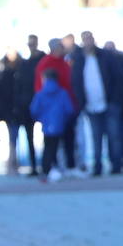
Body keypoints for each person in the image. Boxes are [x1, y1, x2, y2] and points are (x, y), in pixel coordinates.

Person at [72, 31, 123, 176]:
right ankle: (97, 167)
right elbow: (76, 83)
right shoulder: (78, 59)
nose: (88, 42)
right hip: (91, 106)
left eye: (89, 38)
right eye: (85, 39)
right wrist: (81, 103)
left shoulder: (106, 56)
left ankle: (116, 165)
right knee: (96, 137)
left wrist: (115, 100)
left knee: (114, 135)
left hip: (109, 103)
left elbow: (118, 78)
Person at [35, 39, 80, 174]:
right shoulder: (45, 64)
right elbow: (40, 90)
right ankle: (51, 168)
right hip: (53, 111)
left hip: (65, 109)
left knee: (69, 139)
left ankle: (70, 166)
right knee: (51, 142)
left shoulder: (64, 63)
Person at [30, 69, 75, 183]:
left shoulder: (40, 94)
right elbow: (69, 109)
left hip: (46, 125)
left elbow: (34, 110)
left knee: (47, 147)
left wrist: (41, 119)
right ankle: (58, 168)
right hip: (60, 124)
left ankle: (47, 170)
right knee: (59, 146)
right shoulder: (63, 93)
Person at [0, 48, 25, 174]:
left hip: (18, 107)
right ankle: (12, 162)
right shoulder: (2, 69)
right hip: (8, 109)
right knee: (12, 135)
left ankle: (14, 161)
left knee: (15, 135)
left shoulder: (20, 69)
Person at [12, 41, 40, 176]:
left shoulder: (39, 61)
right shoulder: (23, 65)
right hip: (27, 106)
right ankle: (34, 165)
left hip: (37, 104)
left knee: (50, 135)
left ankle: (46, 165)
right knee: (30, 136)